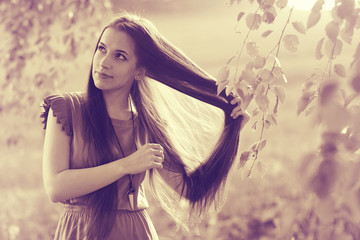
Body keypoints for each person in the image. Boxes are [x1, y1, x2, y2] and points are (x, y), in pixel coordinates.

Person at [41, 13, 249, 240]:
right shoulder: (65, 109)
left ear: (140, 71)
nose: (104, 62)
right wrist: (126, 165)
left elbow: (190, 190)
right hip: (79, 232)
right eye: (101, 49)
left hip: (135, 232)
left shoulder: (147, 125)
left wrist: (232, 131)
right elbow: (56, 187)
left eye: (120, 56)